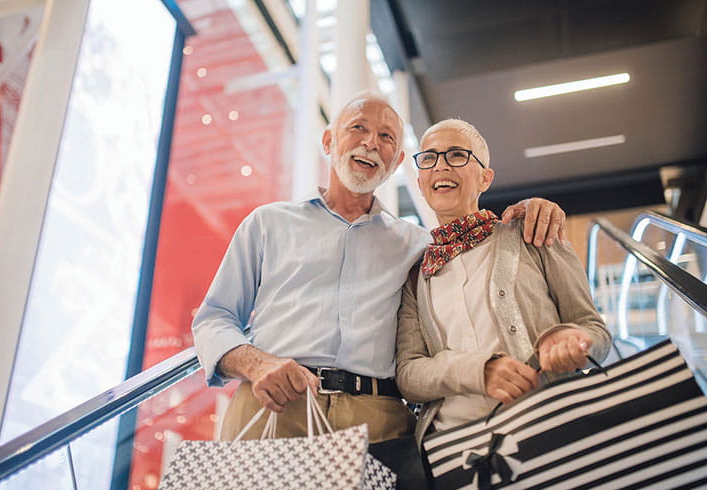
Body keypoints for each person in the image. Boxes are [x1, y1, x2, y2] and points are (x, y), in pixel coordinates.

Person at [192, 93, 567, 443]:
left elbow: (478, 251)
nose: (371, 142)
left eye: (387, 137)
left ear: (397, 163)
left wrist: (535, 208)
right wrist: (257, 364)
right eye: (358, 128)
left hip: (378, 421)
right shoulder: (267, 223)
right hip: (275, 404)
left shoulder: (419, 245)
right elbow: (214, 318)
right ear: (328, 142)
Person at [395, 118, 612, 445]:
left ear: (485, 178)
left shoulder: (534, 233)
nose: (440, 166)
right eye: (429, 158)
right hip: (456, 448)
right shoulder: (416, 273)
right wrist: (477, 371)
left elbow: (593, 329)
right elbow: (409, 375)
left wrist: (573, 340)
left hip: (547, 432)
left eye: (456, 155)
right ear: (421, 179)